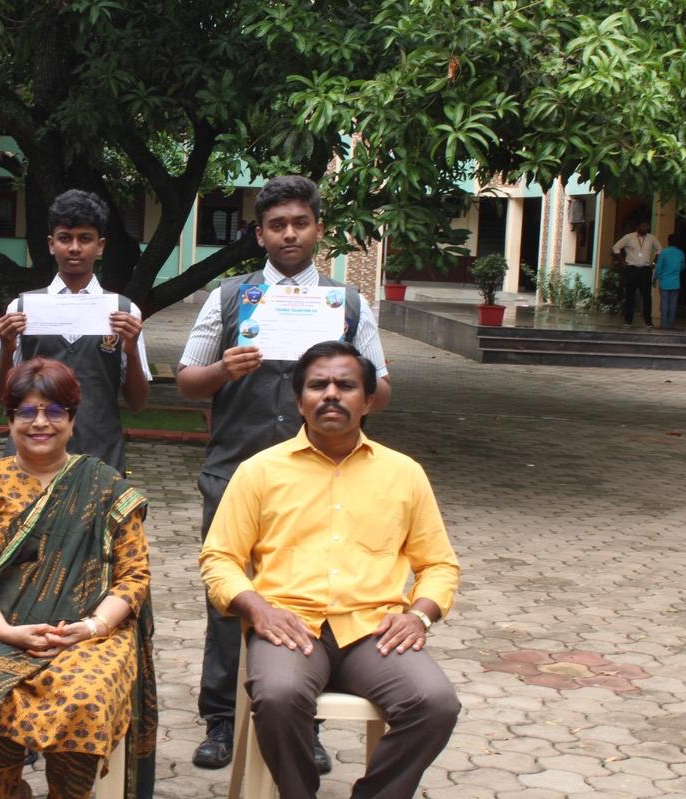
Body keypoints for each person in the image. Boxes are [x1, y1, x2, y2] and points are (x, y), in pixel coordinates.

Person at [177, 175, 391, 772]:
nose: (289, 233)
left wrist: (351, 384)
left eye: (300, 222)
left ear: (319, 230)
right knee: (229, 597)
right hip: (234, 470)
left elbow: (384, 388)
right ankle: (221, 718)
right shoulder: (229, 299)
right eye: (276, 225)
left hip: (326, 477)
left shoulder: (346, 304)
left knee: (317, 593)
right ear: (259, 233)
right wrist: (225, 367)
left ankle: (304, 720)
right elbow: (188, 378)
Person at [200, 341, 461, 798]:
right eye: (318, 385)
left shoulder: (404, 474)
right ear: (299, 401)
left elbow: (438, 563)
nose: (331, 395)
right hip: (289, 627)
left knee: (435, 703)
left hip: (374, 631)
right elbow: (219, 558)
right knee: (279, 697)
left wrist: (418, 615)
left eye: (346, 385)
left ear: (369, 399)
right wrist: (258, 610)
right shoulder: (259, 471)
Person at [0, 358, 156, 799]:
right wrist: (6, 631)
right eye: (26, 411)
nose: (40, 422)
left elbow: (133, 577)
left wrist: (89, 628)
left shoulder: (105, 485)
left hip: (90, 634)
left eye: (54, 411)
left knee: (84, 696)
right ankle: (3, 792)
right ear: (9, 419)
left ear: (73, 419)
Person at [0, 189, 150, 474]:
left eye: (85, 239)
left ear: (100, 246)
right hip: (30, 456)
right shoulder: (23, 308)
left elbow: (137, 403)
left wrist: (131, 350)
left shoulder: (123, 312)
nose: (74, 248)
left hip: (100, 457)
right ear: (51, 244)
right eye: (65, 238)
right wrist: (7, 348)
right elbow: (3, 397)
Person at [612, 219, 662, 328]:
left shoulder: (651, 238)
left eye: (647, 226)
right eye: (644, 226)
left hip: (645, 269)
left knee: (647, 296)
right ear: (638, 226)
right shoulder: (628, 237)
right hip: (632, 269)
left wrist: (654, 262)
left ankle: (648, 322)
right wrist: (622, 262)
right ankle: (628, 321)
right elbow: (616, 248)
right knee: (630, 295)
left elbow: (659, 250)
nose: (646, 228)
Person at [654, 234, 686, 330]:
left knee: (664, 303)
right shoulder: (681, 253)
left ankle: (663, 324)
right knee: (673, 304)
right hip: (676, 283)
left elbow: (658, 268)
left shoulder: (663, 253)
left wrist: (656, 277)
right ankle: (671, 325)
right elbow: (682, 267)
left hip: (664, 282)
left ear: (669, 241)